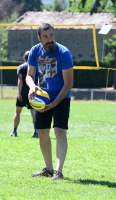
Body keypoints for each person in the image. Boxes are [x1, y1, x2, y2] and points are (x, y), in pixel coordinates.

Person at [26, 23, 74, 180]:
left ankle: (58, 172)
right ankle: (48, 169)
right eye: (45, 37)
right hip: (42, 98)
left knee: (60, 132)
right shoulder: (35, 51)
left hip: (61, 97)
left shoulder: (64, 53)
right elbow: (29, 75)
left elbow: (68, 83)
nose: (49, 39)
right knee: (42, 133)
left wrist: (55, 103)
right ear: (39, 38)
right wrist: (32, 86)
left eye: (51, 35)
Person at [10, 51, 38, 138]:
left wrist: (19, 93)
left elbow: (20, 81)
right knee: (34, 113)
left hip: (23, 93)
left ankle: (14, 131)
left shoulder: (21, 67)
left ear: (24, 58)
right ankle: (36, 132)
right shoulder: (36, 67)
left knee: (17, 112)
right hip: (33, 93)